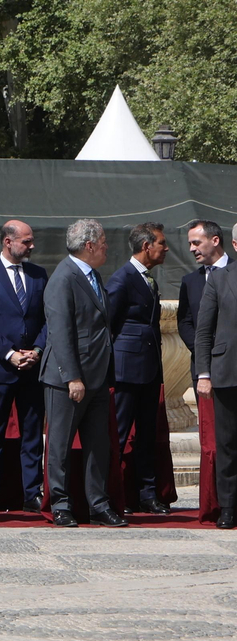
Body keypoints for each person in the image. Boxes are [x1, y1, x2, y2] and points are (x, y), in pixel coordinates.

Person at [41, 218, 124, 527]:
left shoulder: (93, 276)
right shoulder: (63, 278)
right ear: (89, 246)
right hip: (69, 380)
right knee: (60, 445)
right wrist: (72, 377)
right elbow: (60, 332)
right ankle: (61, 504)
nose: (106, 249)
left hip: (98, 377)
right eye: (103, 244)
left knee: (97, 444)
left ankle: (98, 504)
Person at [0, 219, 48, 512]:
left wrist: (37, 350)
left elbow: (48, 318)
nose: (32, 246)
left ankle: (32, 492)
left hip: (32, 370)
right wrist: (9, 354)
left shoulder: (39, 275)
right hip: (0, 368)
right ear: (8, 242)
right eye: (26, 241)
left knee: (32, 433)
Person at [106, 221, 169, 515]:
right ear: (147, 247)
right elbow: (109, 324)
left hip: (149, 370)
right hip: (126, 371)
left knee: (146, 435)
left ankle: (147, 494)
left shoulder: (148, 278)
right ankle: (111, 495)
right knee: (118, 434)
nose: (165, 249)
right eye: (161, 244)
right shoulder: (122, 279)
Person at [194, 264, 237, 528]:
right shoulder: (220, 278)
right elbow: (203, 329)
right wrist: (204, 373)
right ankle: (229, 507)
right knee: (228, 443)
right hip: (227, 371)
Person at [178, 220, 226, 352]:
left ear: (215, 241)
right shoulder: (189, 281)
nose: (192, 249)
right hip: (202, 365)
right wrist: (201, 351)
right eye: (190, 244)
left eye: (196, 243)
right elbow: (184, 322)